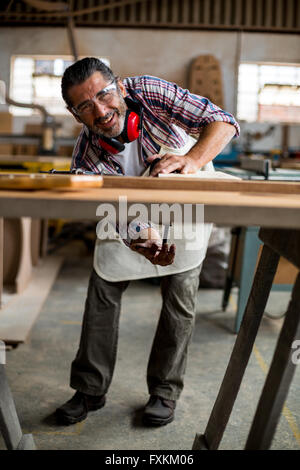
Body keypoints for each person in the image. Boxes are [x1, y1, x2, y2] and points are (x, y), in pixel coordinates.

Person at [56, 57, 239, 426]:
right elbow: (116, 214)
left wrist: (190, 159)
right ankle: (90, 390)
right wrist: (142, 237)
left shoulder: (152, 91)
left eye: (105, 95)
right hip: (129, 210)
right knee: (103, 285)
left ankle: (164, 392)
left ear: (120, 87)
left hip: (184, 192)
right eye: (85, 106)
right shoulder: (86, 158)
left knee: (181, 290)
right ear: (75, 114)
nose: (101, 110)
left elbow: (224, 122)